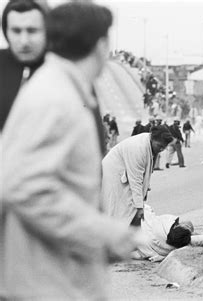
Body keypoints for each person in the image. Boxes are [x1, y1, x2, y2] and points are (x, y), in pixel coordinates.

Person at [1, 2, 146, 299]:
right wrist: (104, 232)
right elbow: (23, 187)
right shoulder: (57, 99)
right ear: (101, 45)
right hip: (49, 277)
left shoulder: (58, 88)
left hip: (56, 268)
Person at [101, 125, 174, 226]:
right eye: (159, 146)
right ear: (153, 139)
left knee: (128, 210)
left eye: (163, 148)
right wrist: (139, 207)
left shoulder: (150, 144)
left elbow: (144, 173)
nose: (161, 149)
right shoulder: (138, 148)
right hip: (113, 174)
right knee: (121, 209)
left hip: (123, 174)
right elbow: (135, 180)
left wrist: (144, 191)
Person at [0, 0, 48, 131]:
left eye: (32, 31)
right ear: (6, 31)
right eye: (16, 31)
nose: (24, 41)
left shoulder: (61, 69)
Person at [131, 205, 203, 262]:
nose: (188, 226)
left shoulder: (156, 224)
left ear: (178, 226)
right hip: (136, 243)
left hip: (131, 227)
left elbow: (145, 208)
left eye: (187, 227)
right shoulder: (174, 246)